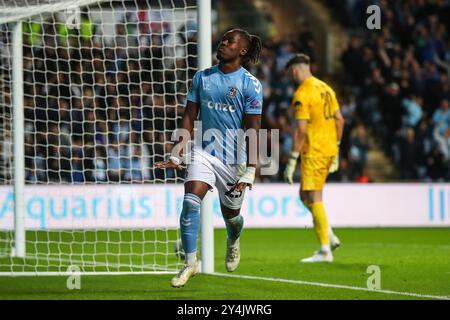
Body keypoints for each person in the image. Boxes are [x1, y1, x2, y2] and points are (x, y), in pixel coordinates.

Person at [155, 29, 263, 287]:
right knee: (191, 201)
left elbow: (253, 130)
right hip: (204, 151)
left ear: (242, 51)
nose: (222, 43)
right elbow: (189, 116)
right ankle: (190, 263)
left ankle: (233, 240)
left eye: (230, 41)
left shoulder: (250, 84)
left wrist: (251, 169)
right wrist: (177, 153)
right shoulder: (202, 78)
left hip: (234, 161)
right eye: (222, 39)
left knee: (232, 217)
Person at [283, 54, 345, 263]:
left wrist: (292, 160)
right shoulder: (326, 88)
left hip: (314, 151)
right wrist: (336, 147)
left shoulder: (302, 93)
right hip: (328, 149)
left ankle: (325, 250)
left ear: (294, 71)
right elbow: (340, 120)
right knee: (304, 195)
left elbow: (300, 131)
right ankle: (328, 233)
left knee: (314, 198)